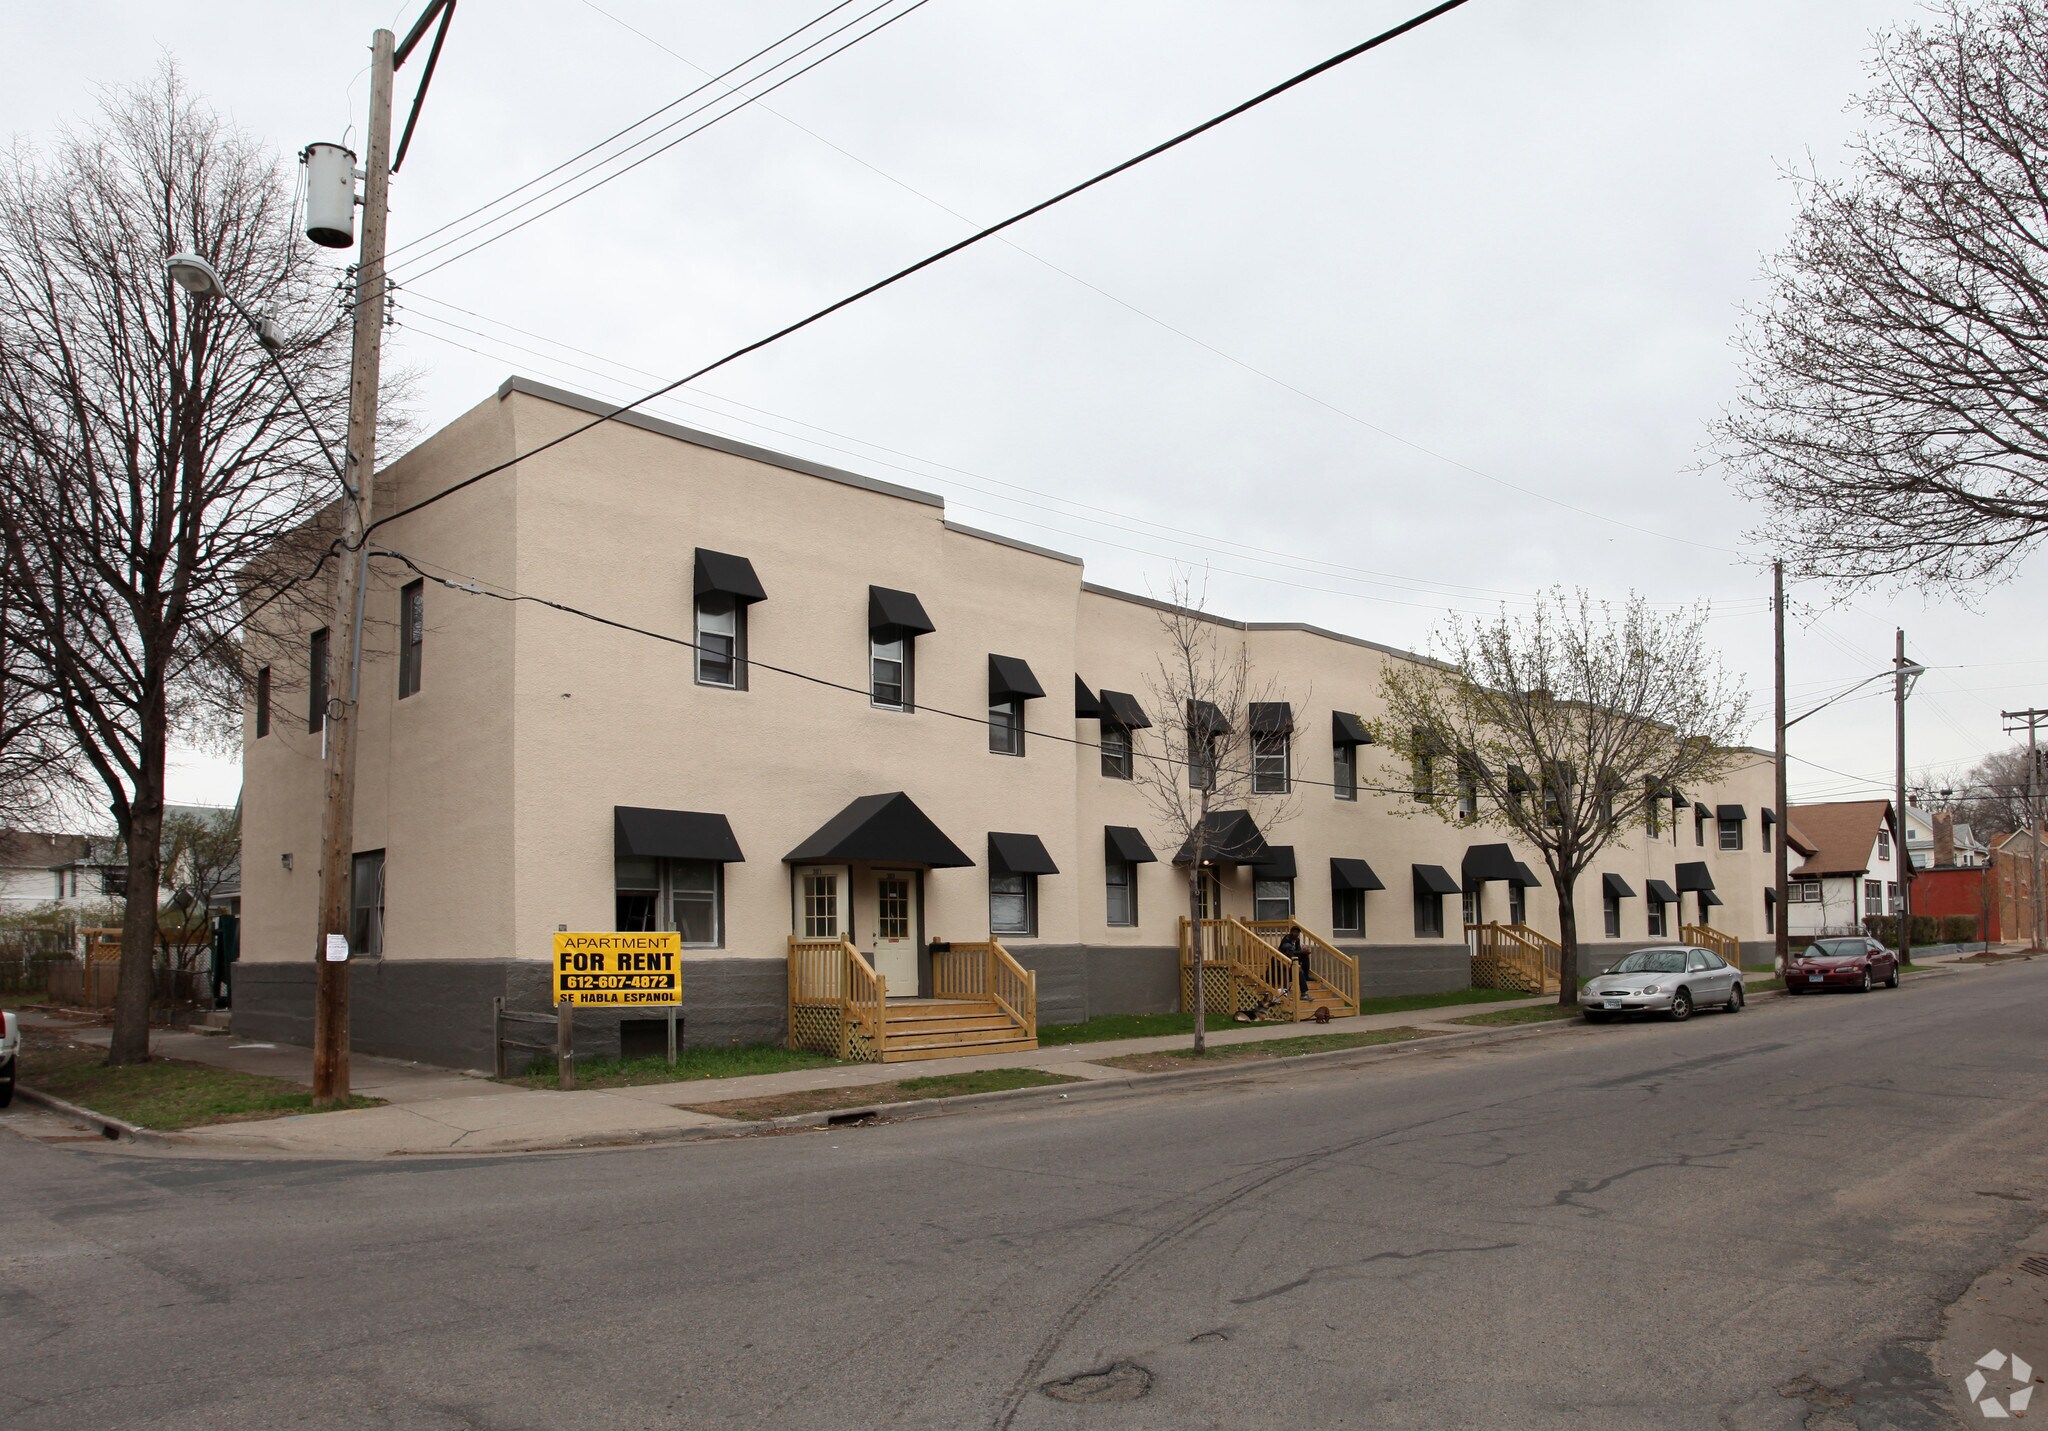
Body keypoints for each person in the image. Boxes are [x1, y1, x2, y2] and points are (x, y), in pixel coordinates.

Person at [1277, 927, 1310, 999]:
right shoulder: (1286, 940)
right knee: (1299, 971)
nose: (1296, 934)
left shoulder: (1297, 940)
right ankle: (1303, 993)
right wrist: (1300, 952)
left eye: (1298, 933)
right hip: (1284, 963)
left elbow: (1296, 951)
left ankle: (1306, 976)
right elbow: (1289, 952)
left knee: (1305, 956)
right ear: (1291, 932)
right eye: (1295, 932)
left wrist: (1304, 952)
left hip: (1292, 961)